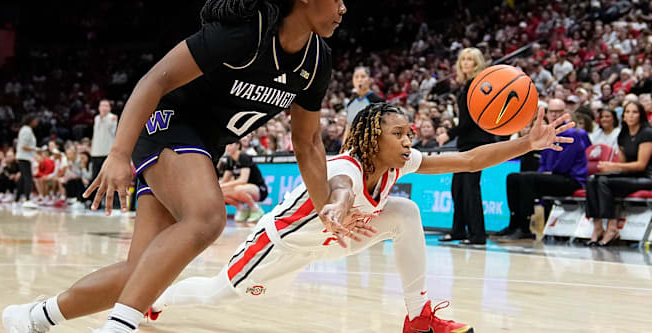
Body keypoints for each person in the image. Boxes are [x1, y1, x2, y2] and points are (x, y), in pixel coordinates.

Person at [3, 0, 353, 333]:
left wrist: (327, 213)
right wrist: (119, 154)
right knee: (207, 217)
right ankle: (118, 328)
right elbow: (157, 79)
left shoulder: (317, 60)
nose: (343, 8)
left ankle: (32, 317)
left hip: (202, 146)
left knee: (143, 275)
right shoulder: (245, 32)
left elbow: (308, 144)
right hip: (167, 125)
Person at [146, 102, 574, 333]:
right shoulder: (346, 167)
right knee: (217, 295)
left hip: (337, 238)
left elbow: (467, 159)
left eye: (410, 134)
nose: (409, 141)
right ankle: (156, 302)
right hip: (280, 246)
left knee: (405, 211)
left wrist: (525, 143)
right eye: (398, 134)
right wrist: (335, 205)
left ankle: (418, 315)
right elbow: (341, 189)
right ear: (372, 138)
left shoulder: (398, 164)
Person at [495, 98, 590, 240]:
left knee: (528, 179)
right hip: (552, 176)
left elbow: (564, 164)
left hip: (571, 179)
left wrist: (546, 173)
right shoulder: (547, 132)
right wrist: (543, 172)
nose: (554, 115)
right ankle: (513, 224)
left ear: (564, 113)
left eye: (558, 112)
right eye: (552, 111)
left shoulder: (572, 133)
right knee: (513, 177)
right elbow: (543, 160)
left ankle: (525, 228)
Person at [437, 48, 496, 245]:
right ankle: (459, 230)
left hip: (477, 143)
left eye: (470, 60)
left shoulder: (477, 85)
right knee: (458, 188)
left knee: (471, 189)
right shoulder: (469, 85)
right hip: (467, 143)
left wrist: (449, 133)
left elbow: (471, 119)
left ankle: (478, 234)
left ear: (477, 62)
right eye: (463, 60)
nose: (466, 63)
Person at [585, 101, 652, 246]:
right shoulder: (623, 134)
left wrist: (613, 165)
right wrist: (609, 168)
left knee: (604, 182)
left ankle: (612, 227)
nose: (630, 115)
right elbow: (623, 165)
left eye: (634, 112)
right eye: (627, 112)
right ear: (623, 116)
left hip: (646, 177)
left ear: (641, 115)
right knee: (591, 179)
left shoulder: (647, 133)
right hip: (630, 176)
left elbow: (641, 165)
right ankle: (597, 227)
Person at [219, 142, 268, 223]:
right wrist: (215, 186)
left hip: (259, 189)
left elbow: (243, 180)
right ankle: (242, 209)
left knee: (239, 189)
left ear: (238, 146)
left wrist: (224, 185)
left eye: (230, 145)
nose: (228, 147)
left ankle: (256, 209)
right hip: (243, 188)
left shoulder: (243, 157)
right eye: (227, 145)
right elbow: (224, 180)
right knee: (220, 192)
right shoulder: (229, 159)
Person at [342, 66, 384, 142]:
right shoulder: (350, 103)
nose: (359, 80)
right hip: (353, 145)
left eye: (363, 76)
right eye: (356, 77)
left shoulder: (377, 101)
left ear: (370, 80)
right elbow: (348, 127)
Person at [91, 100, 118, 182]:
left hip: (107, 152)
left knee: (108, 177)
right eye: (102, 106)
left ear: (110, 108)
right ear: (99, 107)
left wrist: (104, 118)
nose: (104, 108)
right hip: (96, 152)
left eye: (106, 106)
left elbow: (113, 131)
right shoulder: (96, 118)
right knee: (96, 177)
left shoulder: (113, 117)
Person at [15, 115, 39, 203]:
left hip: (24, 157)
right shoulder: (26, 130)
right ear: (31, 121)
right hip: (24, 157)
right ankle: (27, 198)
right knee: (28, 178)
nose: (37, 122)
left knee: (22, 178)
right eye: (35, 120)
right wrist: (36, 149)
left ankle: (17, 198)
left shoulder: (26, 129)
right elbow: (24, 146)